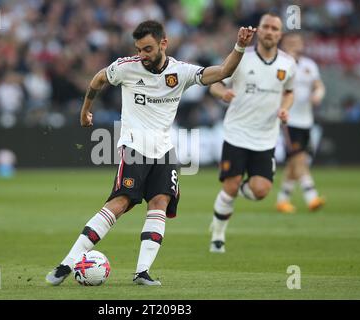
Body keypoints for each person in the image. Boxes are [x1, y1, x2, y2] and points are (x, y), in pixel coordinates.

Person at [46, 20, 256, 285]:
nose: (142, 55)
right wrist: (85, 109)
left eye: (147, 49)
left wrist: (240, 46)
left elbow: (224, 70)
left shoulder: (181, 72)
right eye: (139, 49)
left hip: (165, 151)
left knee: (159, 204)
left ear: (163, 43)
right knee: (121, 203)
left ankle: (142, 272)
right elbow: (99, 78)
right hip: (134, 146)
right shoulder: (127, 67)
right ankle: (66, 263)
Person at [208, 13, 296, 253]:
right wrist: (221, 94)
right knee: (231, 185)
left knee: (261, 191)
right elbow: (215, 82)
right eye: (265, 27)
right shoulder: (241, 59)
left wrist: (285, 110)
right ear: (259, 30)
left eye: (274, 28)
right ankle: (217, 234)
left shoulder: (287, 64)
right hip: (236, 133)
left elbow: (289, 92)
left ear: (280, 34)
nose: (269, 31)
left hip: (266, 137)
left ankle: (234, 193)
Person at [276, 32, 326, 213]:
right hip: (288, 119)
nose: (294, 45)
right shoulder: (279, 64)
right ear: (283, 44)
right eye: (290, 42)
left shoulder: (309, 65)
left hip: (307, 120)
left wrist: (317, 95)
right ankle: (311, 196)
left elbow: (319, 85)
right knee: (299, 158)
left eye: (297, 42)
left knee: (294, 162)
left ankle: (282, 199)